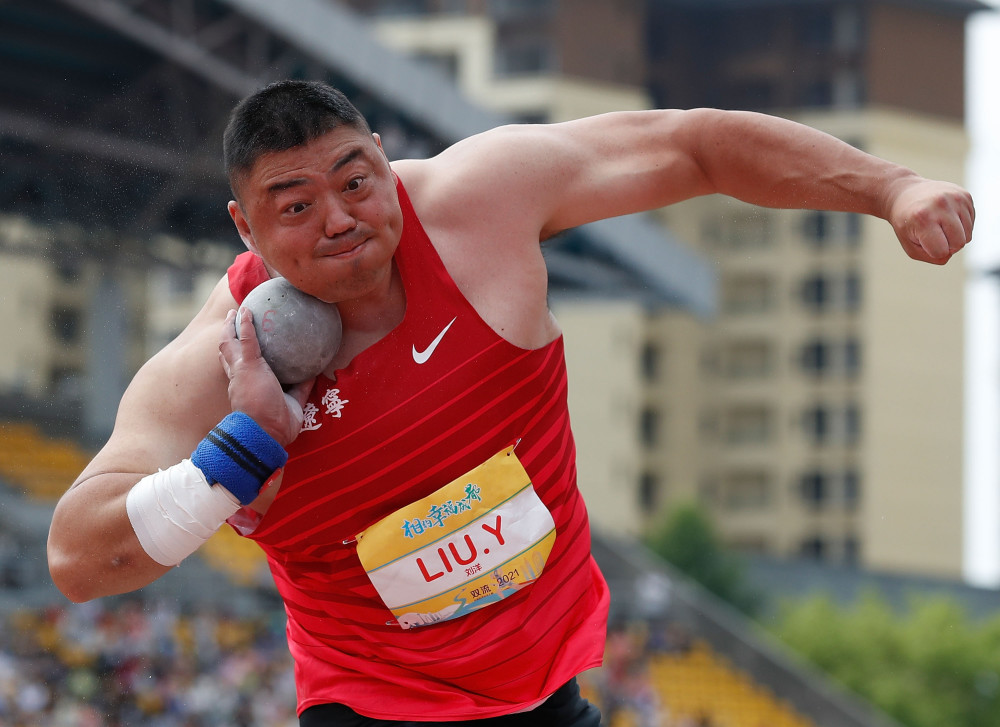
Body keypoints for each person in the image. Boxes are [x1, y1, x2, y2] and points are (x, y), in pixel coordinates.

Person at [46, 80, 974, 726]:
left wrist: (893, 187)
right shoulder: (222, 360)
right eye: (294, 206)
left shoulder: (480, 203)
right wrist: (243, 448)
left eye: (355, 180)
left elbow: (694, 146)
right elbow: (79, 559)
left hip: (546, 696)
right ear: (245, 227)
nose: (339, 218)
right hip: (373, 710)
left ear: (384, 160)